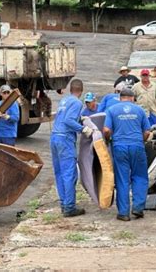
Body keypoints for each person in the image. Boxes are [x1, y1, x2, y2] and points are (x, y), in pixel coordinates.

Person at [103, 88, 151, 221]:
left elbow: (106, 129)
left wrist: (108, 139)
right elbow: (147, 132)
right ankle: (138, 208)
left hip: (119, 147)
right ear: (132, 98)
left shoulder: (112, 110)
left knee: (122, 179)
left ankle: (123, 213)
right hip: (137, 146)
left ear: (120, 98)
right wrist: (140, 141)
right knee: (140, 176)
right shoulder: (139, 110)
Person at [50, 79, 92, 217]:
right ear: (81, 90)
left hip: (55, 137)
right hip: (64, 139)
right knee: (69, 173)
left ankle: (64, 203)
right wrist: (83, 128)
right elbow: (68, 121)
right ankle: (69, 207)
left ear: (70, 89)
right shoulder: (77, 102)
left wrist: (79, 118)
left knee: (60, 172)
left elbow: (63, 118)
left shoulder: (65, 100)